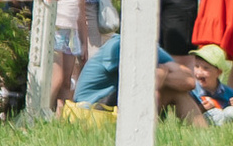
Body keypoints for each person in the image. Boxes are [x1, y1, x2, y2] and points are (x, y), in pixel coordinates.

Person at [69, 34, 205, 124]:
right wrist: (164, 70)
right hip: (92, 108)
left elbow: (189, 81)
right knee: (151, 91)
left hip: (116, 103)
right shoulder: (118, 45)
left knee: (177, 92)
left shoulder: (149, 45)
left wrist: (162, 72)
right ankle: (148, 139)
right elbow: (146, 83)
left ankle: (202, 139)